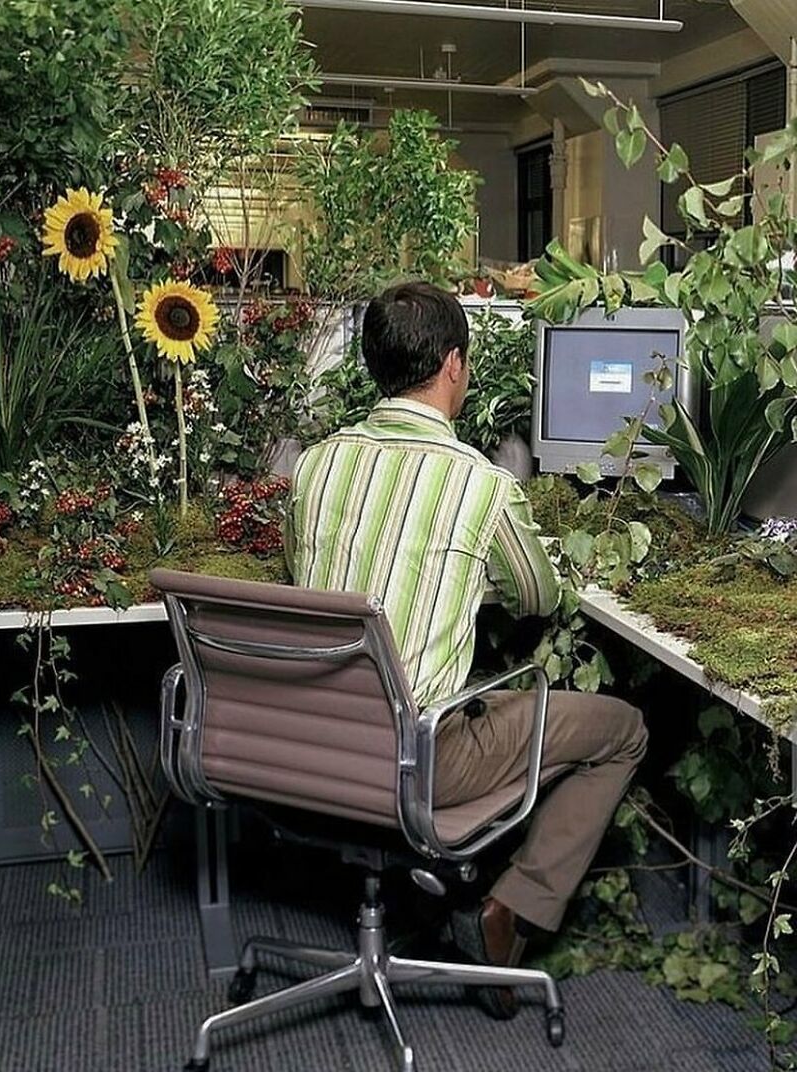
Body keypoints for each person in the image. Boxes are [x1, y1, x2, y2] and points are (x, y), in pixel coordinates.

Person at [285, 281, 647, 1018]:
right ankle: (507, 910)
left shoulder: (314, 466)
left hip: (312, 744)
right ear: (454, 364)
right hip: (422, 760)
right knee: (623, 730)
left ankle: (450, 890)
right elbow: (539, 599)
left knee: (470, 683)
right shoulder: (478, 484)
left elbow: (308, 580)